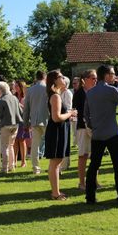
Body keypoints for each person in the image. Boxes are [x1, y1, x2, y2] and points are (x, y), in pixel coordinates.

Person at [83, 64, 118, 205]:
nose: (114, 76)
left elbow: (86, 113)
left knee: (94, 166)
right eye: (112, 74)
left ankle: (90, 197)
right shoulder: (111, 90)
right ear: (106, 76)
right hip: (112, 133)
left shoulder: (91, 92)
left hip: (97, 134)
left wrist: (92, 125)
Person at [44, 70, 75, 200]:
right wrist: (70, 113)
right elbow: (56, 118)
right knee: (56, 162)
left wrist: (68, 115)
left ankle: (56, 192)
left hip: (59, 129)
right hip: (56, 130)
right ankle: (55, 193)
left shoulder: (56, 94)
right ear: (55, 80)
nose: (64, 79)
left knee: (57, 161)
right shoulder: (55, 96)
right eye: (61, 77)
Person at [0, 81, 23, 173]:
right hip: (15, 124)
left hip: (6, 125)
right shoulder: (15, 98)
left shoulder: (1, 100)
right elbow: (20, 111)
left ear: (0, 90)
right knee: (11, 146)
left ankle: (5, 168)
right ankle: (12, 166)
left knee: (5, 147)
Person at [73, 69, 96, 190]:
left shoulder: (96, 91)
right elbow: (78, 110)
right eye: (93, 78)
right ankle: (82, 183)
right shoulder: (79, 93)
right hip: (83, 127)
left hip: (95, 127)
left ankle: (94, 181)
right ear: (85, 79)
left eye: (96, 78)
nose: (95, 80)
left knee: (95, 155)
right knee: (83, 155)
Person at [23, 70, 48, 175]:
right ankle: (54, 167)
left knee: (35, 145)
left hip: (34, 120)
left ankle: (36, 168)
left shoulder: (30, 90)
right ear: (45, 77)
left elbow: (26, 108)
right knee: (52, 143)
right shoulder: (48, 88)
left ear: (36, 77)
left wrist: (25, 123)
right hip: (47, 119)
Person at [12, 80, 30, 170]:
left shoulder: (25, 97)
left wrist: (19, 105)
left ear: (21, 87)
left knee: (22, 141)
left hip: (23, 120)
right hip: (14, 120)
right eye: (15, 86)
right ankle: (14, 160)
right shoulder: (13, 96)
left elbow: (27, 109)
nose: (15, 88)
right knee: (15, 141)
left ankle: (23, 161)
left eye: (17, 86)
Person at [59, 76, 73, 171]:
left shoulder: (67, 93)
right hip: (60, 118)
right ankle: (62, 164)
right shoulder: (59, 93)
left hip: (65, 119)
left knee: (65, 141)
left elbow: (68, 107)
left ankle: (64, 164)